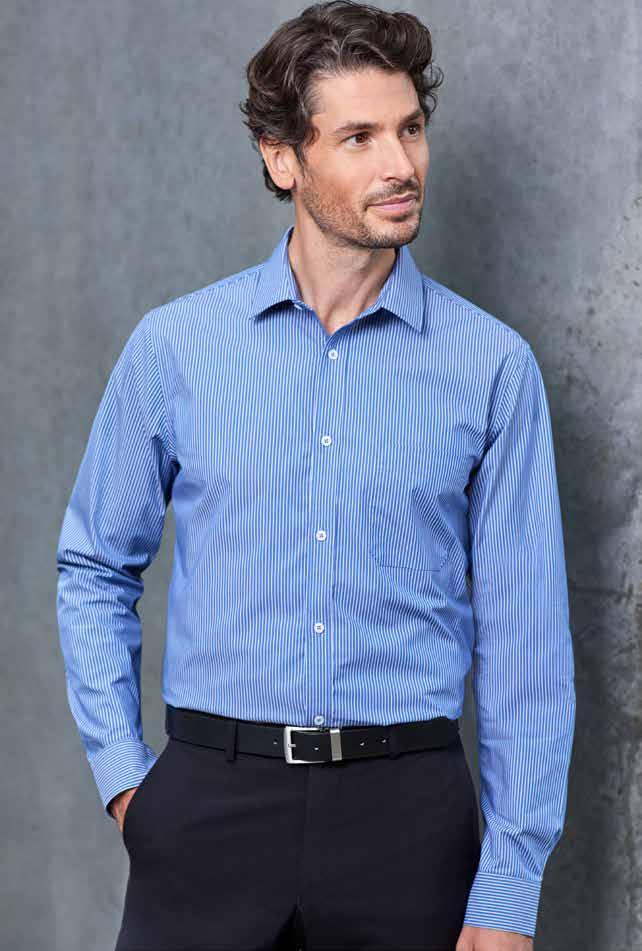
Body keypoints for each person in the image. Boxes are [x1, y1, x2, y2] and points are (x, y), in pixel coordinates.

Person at [55, 2, 576, 949]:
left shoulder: (493, 368)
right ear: (282, 158)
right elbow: (93, 566)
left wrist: (508, 886)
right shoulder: (175, 349)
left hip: (409, 822)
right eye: (360, 137)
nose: (400, 165)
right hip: (208, 808)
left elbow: (527, 639)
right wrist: (129, 782)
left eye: (411, 129)